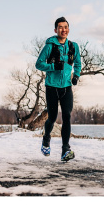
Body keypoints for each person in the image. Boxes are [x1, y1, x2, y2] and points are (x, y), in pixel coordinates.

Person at [35, 17, 81, 162]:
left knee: (67, 116)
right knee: (53, 117)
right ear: (56, 30)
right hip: (52, 87)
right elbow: (39, 64)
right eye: (60, 27)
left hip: (66, 87)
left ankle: (65, 149)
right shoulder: (50, 46)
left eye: (66, 27)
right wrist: (53, 67)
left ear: (68, 29)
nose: (63, 30)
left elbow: (78, 64)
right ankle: (46, 137)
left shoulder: (74, 46)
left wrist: (76, 76)